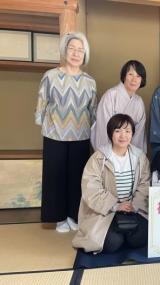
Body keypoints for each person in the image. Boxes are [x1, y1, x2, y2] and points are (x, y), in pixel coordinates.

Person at [35, 32, 97, 233]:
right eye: (72, 48)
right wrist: (42, 123)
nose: (76, 53)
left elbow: (93, 110)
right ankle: (59, 217)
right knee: (55, 177)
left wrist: (93, 129)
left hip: (81, 135)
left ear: (85, 54)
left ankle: (73, 215)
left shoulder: (90, 81)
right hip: (54, 134)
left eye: (80, 50)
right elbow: (42, 103)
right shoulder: (50, 76)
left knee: (77, 177)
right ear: (65, 50)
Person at [73, 114, 150, 253]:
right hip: (105, 211)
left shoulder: (140, 157)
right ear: (110, 133)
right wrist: (115, 205)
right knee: (112, 242)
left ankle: (125, 234)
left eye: (127, 131)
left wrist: (134, 205)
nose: (123, 135)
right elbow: (91, 189)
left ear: (132, 134)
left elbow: (144, 185)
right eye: (118, 131)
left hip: (132, 209)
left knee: (141, 238)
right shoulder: (98, 158)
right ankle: (118, 235)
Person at [92, 60, 147, 153]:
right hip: (109, 151)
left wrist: (133, 155)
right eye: (130, 74)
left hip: (129, 154)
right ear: (124, 76)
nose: (134, 79)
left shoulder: (139, 102)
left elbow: (139, 134)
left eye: (138, 76)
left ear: (142, 80)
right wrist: (110, 154)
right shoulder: (110, 96)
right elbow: (103, 128)